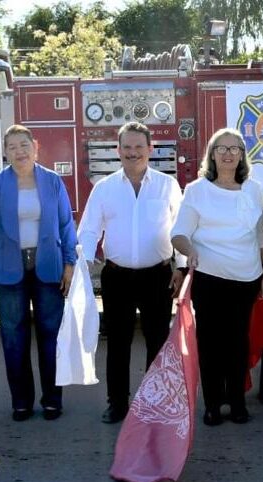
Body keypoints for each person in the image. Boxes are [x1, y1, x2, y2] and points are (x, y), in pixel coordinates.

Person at [78, 122, 185, 424]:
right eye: (127, 147)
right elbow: (89, 230)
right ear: (118, 150)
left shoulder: (167, 185)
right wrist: (82, 264)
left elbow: (180, 229)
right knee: (118, 343)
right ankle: (117, 403)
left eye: (139, 146)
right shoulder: (104, 188)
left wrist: (181, 266)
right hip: (117, 278)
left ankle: (153, 403)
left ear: (151, 149)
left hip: (157, 277)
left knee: (157, 341)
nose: (133, 152)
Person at [0, 125, 77, 422]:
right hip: (9, 268)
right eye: (12, 147)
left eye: (24, 145)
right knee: (13, 339)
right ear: (6, 152)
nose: (19, 151)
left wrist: (69, 263)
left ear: (35, 147)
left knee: (51, 337)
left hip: (48, 267)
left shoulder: (52, 181)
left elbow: (66, 224)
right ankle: (21, 402)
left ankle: (52, 400)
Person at [171, 128, 263, 426]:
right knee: (211, 343)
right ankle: (213, 404)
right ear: (212, 154)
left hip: (246, 278)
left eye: (234, 148)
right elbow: (179, 234)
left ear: (242, 155)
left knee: (238, 343)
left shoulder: (254, 189)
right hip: (209, 278)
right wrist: (190, 251)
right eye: (222, 148)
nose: (228, 154)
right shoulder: (196, 190)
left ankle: (237, 403)